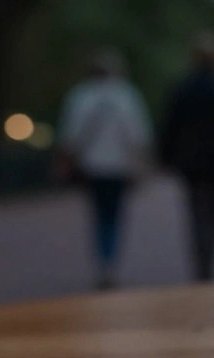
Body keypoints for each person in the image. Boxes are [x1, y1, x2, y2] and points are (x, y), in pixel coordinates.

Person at [57, 48, 153, 290]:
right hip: (119, 167)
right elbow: (138, 136)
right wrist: (140, 163)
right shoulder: (127, 96)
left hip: (92, 166)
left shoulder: (80, 96)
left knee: (98, 215)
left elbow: (70, 135)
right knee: (114, 216)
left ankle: (103, 261)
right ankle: (110, 261)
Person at [161, 32, 214, 282]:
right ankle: (209, 259)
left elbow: (170, 126)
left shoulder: (184, 89)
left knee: (196, 212)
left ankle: (202, 260)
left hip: (190, 161)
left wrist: (166, 156)